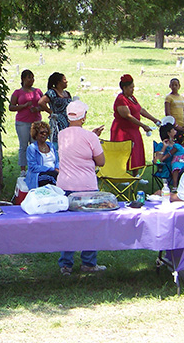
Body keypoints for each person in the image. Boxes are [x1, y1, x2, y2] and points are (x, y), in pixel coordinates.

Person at [57, 101, 106, 275]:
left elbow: (76, 144)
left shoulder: (61, 134)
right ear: (83, 116)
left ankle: (65, 264)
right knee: (90, 226)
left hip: (65, 185)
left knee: (68, 225)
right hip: (86, 186)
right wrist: (94, 138)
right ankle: (89, 262)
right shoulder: (90, 138)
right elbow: (100, 161)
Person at [109, 74, 160, 172]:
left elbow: (140, 110)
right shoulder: (121, 99)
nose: (133, 89)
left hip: (133, 130)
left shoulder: (132, 97)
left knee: (136, 152)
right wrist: (143, 125)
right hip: (123, 130)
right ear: (124, 88)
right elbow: (127, 116)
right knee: (124, 152)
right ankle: (121, 174)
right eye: (131, 87)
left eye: (133, 87)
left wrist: (154, 119)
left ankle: (135, 174)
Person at [9, 69, 43, 175]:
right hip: (22, 122)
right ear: (23, 79)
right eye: (29, 78)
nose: (31, 80)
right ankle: (23, 169)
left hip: (36, 122)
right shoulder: (17, 92)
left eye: (33, 78)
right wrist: (23, 106)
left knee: (35, 145)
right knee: (23, 146)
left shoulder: (38, 91)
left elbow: (43, 104)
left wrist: (37, 109)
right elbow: (11, 107)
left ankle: (35, 166)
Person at [38, 72, 72, 147]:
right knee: (57, 144)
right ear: (58, 82)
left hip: (68, 122)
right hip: (57, 123)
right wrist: (51, 112)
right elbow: (41, 102)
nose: (66, 81)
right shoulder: (52, 93)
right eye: (64, 80)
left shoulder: (67, 93)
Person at [25, 121, 59, 190]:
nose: (44, 134)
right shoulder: (32, 148)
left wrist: (57, 168)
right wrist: (51, 169)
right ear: (36, 134)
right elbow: (33, 167)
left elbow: (57, 161)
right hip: (38, 175)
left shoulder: (51, 146)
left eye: (46, 132)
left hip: (54, 172)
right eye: (41, 133)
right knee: (53, 178)